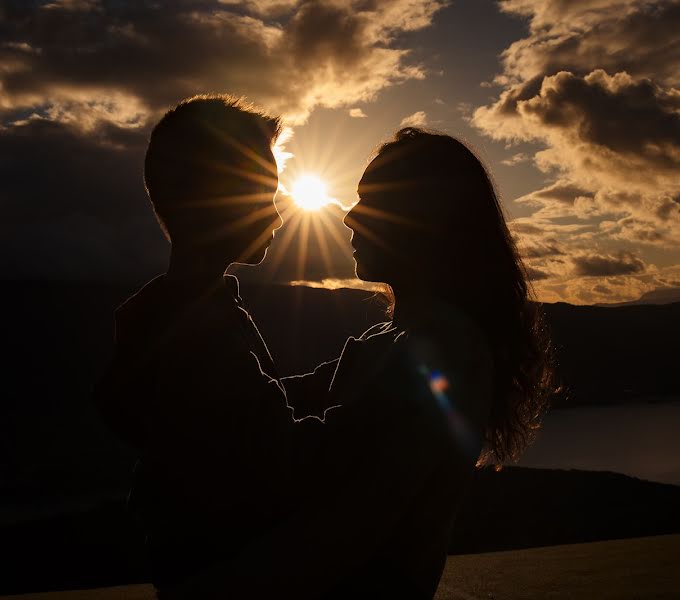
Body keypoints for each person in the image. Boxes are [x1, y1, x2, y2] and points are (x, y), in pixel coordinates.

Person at [173, 128, 555, 599]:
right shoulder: (387, 342)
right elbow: (278, 403)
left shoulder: (448, 350)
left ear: (427, 221)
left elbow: (349, 520)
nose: (350, 218)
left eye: (372, 202)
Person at [93, 95, 328, 595]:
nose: (280, 217)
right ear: (211, 199)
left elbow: (253, 404)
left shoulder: (182, 313)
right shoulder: (198, 330)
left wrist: (342, 375)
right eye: (265, 194)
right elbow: (271, 443)